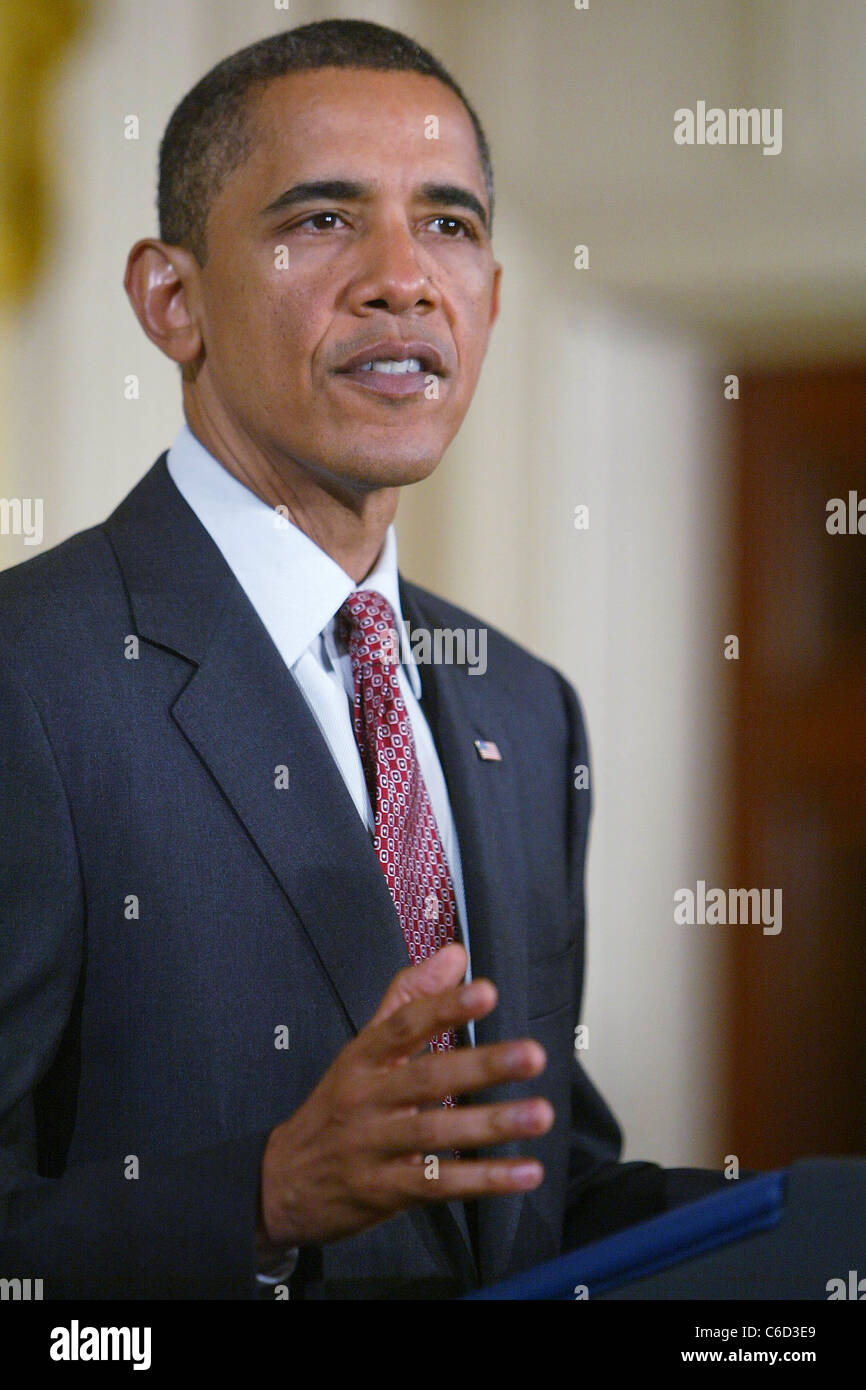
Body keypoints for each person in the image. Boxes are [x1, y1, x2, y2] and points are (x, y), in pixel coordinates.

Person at [0, 19, 726, 1300]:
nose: (403, 278)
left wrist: (810, 1220)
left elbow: (529, 1190)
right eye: (323, 220)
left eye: (448, 224)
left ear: (491, 297)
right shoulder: (32, 678)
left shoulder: (523, 707)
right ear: (173, 300)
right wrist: (265, 1197)